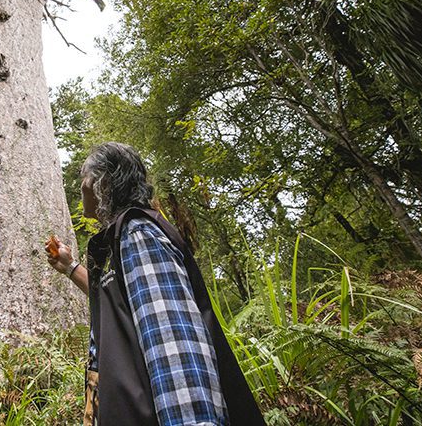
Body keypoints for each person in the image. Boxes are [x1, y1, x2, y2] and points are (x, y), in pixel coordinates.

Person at [46, 143, 264, 426]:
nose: (80, 185)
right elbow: (122, 302)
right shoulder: (123, 238)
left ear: (103, 183)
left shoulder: (138, 234)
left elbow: (173, 342)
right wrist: (70, 267)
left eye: (84, 177)